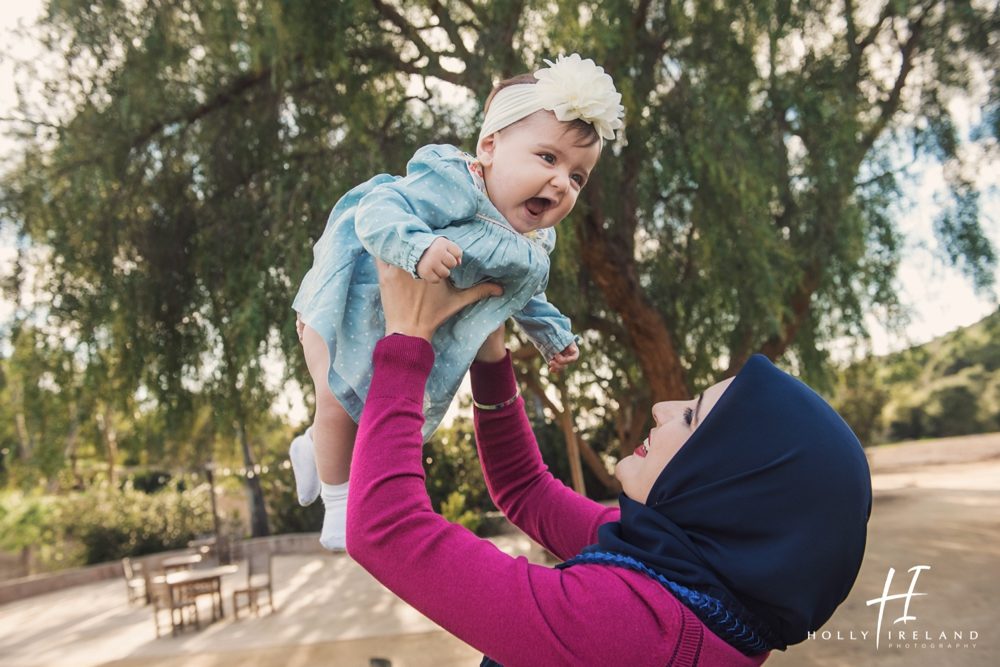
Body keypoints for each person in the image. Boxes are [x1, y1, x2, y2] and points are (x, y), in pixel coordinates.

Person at [344, 261, 873, 666]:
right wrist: (490, 352)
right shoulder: (690, 579)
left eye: (690, 419)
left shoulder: (630, 631)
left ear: (729, 485)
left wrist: (408, 339)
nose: (663, 409)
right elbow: (526, 490)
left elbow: (386, 529)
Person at [289, 54, 624, 550]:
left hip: (400, 326)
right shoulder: (458, 182)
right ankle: (339, 505)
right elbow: (380, 208)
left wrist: (552, 334)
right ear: (489, 146)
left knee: (371, 415)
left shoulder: (532, 243)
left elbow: (523, 291)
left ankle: (311, 447)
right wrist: (417, 246)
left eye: (578, 177)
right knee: (337, 398)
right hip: (350, 302)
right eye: (549, 159)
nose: (561, 182)